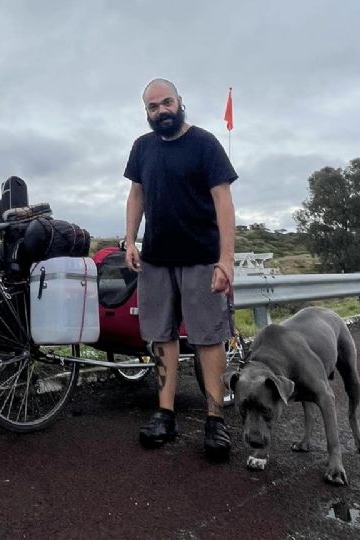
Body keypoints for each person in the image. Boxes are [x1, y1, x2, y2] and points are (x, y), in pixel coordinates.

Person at [123, 78, 238, 461]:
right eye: (153, 107)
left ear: (180, 102)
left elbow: (223, 201)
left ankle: (214, 420)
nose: (161, 111)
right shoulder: (142, 147)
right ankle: (165, 413)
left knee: (208, 337)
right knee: (161, 336)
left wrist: (226, 259)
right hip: (156, 258)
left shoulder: (205, 144)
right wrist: (130, 240)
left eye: (166, 103)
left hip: (202, 257)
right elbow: (136, 193)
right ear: (147, 113)